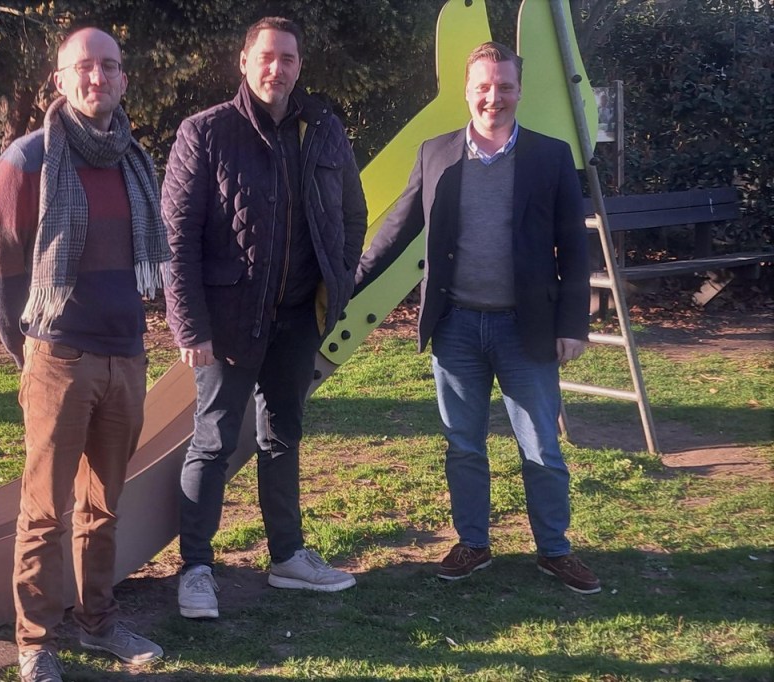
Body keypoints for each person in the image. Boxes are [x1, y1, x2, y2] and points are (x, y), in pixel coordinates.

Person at [354, 42, 600, 595]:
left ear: (519, 90)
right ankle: (473, 543)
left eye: (505, 86)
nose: (494, 97)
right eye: (484, 87)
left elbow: (572, 245)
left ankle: (555, 550)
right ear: (467, 91)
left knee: (541, 447)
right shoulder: (435, 153)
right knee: (463, 445)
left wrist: (573, 324)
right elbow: (397, 229)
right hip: (457, 327)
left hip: (526, 328)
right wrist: (346, 285)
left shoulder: (550, 156)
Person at [162, 16, 368, 619]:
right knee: (213, 440)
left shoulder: (324, 129)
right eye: (267, 57)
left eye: (289, 58)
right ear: (245, 62)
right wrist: (190, 326)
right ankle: (196, 569)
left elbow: (353, 214)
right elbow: (177, 239)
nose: (277, 68)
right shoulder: (205, 132)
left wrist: (338, 277)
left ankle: (287, 557)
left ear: (300, 66)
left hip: (299, 318)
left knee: (282, 437)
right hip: (228, 322)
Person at [0, 26, 168, 682]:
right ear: (59, 81)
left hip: (127, 356)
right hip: (58, 357)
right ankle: (36, 642)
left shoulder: (136, 162)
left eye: (109, 66)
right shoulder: (26, 161)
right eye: (83, 67)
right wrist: (33, 353)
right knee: (44, 511)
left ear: (123, 79)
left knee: (104, 506)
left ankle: (99, 622)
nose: (97, 77)